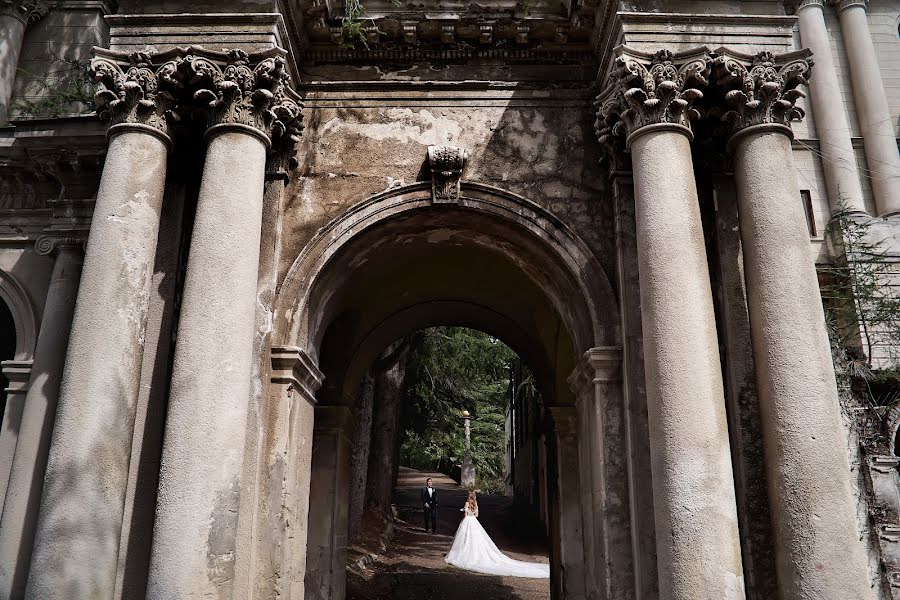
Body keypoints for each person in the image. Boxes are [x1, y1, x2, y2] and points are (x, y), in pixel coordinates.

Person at [444, 491, 550, 578]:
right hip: (474, 522)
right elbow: (476, 515)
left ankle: (464, 553)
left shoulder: (467, 503)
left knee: (465, 538)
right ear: (474, 497)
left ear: (469, 496)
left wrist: (464, 516)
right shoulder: (475, 504)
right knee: (476, 539)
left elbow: (465, 514)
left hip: (467, 521)